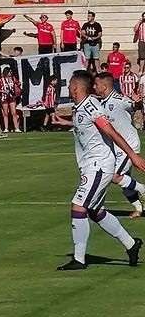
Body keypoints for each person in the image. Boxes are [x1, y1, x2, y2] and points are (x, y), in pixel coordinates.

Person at [52, 70, 143, 270]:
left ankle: (79, 259)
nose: (69, 89)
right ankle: (131, 244)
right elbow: (86, 126)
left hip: (99, 165)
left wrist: (133, 156)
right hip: (91, 166)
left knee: (78, 206)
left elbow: (111, 131)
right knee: (95, 210)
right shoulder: (81, 107)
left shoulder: (91, 106)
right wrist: (65, 123)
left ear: (75, 88)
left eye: (70, 86)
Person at [94, 72, 145, 218]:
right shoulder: (101, 103)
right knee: (125, 182)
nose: (94, 87)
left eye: (96, 84)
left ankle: (143, 189)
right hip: (116, 147)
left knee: (114, 175)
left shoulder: (118, 99)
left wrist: (137, 102)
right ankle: (139, 208)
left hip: (128, 144)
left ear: (104, 86)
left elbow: (133, 104)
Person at [0, 67, 21, 133]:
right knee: (5, 113)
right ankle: (6, 128)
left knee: (14, 112)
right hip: (4, 98)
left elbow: (18, 84)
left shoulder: (13, 79)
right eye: (9, 72)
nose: (11, 73)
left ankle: (16, 128)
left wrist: (17, 87)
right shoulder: (1, 80)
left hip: (12, 97)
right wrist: (3, 91)